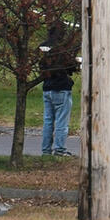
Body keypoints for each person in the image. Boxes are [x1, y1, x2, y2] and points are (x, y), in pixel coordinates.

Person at [40, 23, 77, 157]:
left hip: (47, 87)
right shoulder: (62, 49)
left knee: (48, 120)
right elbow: (71, 66)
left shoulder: (43, 46)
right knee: (62, 121)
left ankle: (46, 150)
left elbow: (42, 66)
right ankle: (59, 150)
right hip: (61, 87)